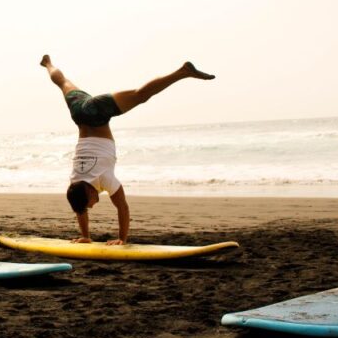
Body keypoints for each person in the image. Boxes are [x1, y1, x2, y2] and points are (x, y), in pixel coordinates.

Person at [40, 54, 215, 245]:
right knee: (63, 82)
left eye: (90, 204)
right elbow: (80, 209)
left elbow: (122, 207)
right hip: (80, 113)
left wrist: (121, 239)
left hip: (97, 113)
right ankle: (48, 64)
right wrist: (86, 237)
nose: (92, 206)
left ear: (90, 194)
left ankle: (183, 72)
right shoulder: (75, 181)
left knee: (141, 95)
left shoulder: (103, 179)